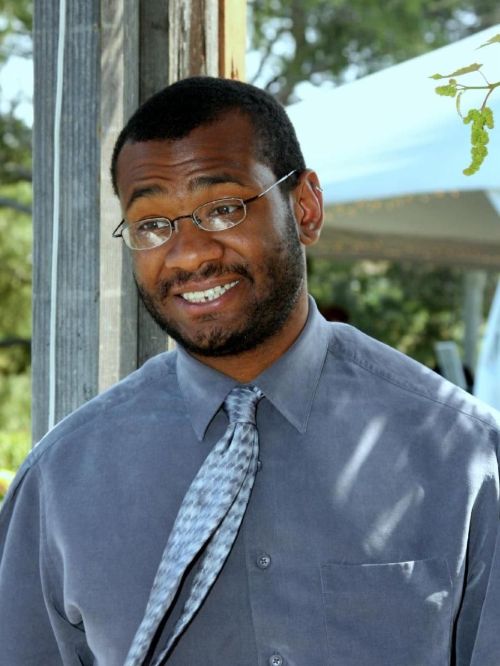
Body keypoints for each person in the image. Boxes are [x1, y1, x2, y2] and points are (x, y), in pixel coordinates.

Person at [0, 77, 499, 666]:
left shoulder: (463, 457)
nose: (188, 253)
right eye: (152, 223)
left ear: (306, 208)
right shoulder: (61, 483)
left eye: (222, 208)